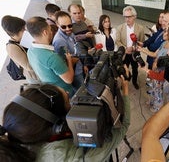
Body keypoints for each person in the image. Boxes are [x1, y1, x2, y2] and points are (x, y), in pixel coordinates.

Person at [0, 68, 130, 161]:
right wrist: (124, 92)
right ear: (59, 125)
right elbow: (122, 127)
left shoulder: (20, 135)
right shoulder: (74, 157)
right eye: (68, 102)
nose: (69, 96)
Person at [26, 16, 75, 97]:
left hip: (51, 91)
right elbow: (69, 79)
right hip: (65, 94)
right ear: (45, 32)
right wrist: (69, 60)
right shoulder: (52, 57)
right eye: (50, 29)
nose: (51, 32)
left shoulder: (30, 50)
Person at [138, 21, 169, 112]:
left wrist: (146, 70)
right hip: (154, 72)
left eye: (166, 31)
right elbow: (154, 54)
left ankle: (157, 106)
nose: (163, 33)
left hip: (160, 76)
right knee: (154, 89)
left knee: (158, 93)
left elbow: (161, 76)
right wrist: (141, 49)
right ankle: (152, 101)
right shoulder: (163, 43)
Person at [1, 15, 40, 84]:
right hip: (35, 76)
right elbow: (29, 66)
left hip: (39, 70)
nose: (25, 30)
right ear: (16, 31)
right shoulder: (12, 48)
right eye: (23, 29)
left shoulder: (22, 38)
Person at [52, 11, 85, 92]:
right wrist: (78, 59)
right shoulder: (60, 41)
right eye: (63, 27)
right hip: (75, 73)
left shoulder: (70, 33)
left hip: (79, 67)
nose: (68, 29)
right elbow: (65, 62)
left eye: (70, 25)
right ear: (57, 25)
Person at [116, 5, 145, 89]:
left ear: (134, 16)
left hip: (134, 53)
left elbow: (142, 42)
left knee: (135, 69)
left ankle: (134, 82)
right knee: (124, 69)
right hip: (124, 53)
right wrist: (125, 49)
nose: (127, 19)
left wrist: (133, 48)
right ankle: (124, 83)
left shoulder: (140, 28)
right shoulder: (119, 28)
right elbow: (117, 41)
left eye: (129, 17)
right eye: (125, 17)